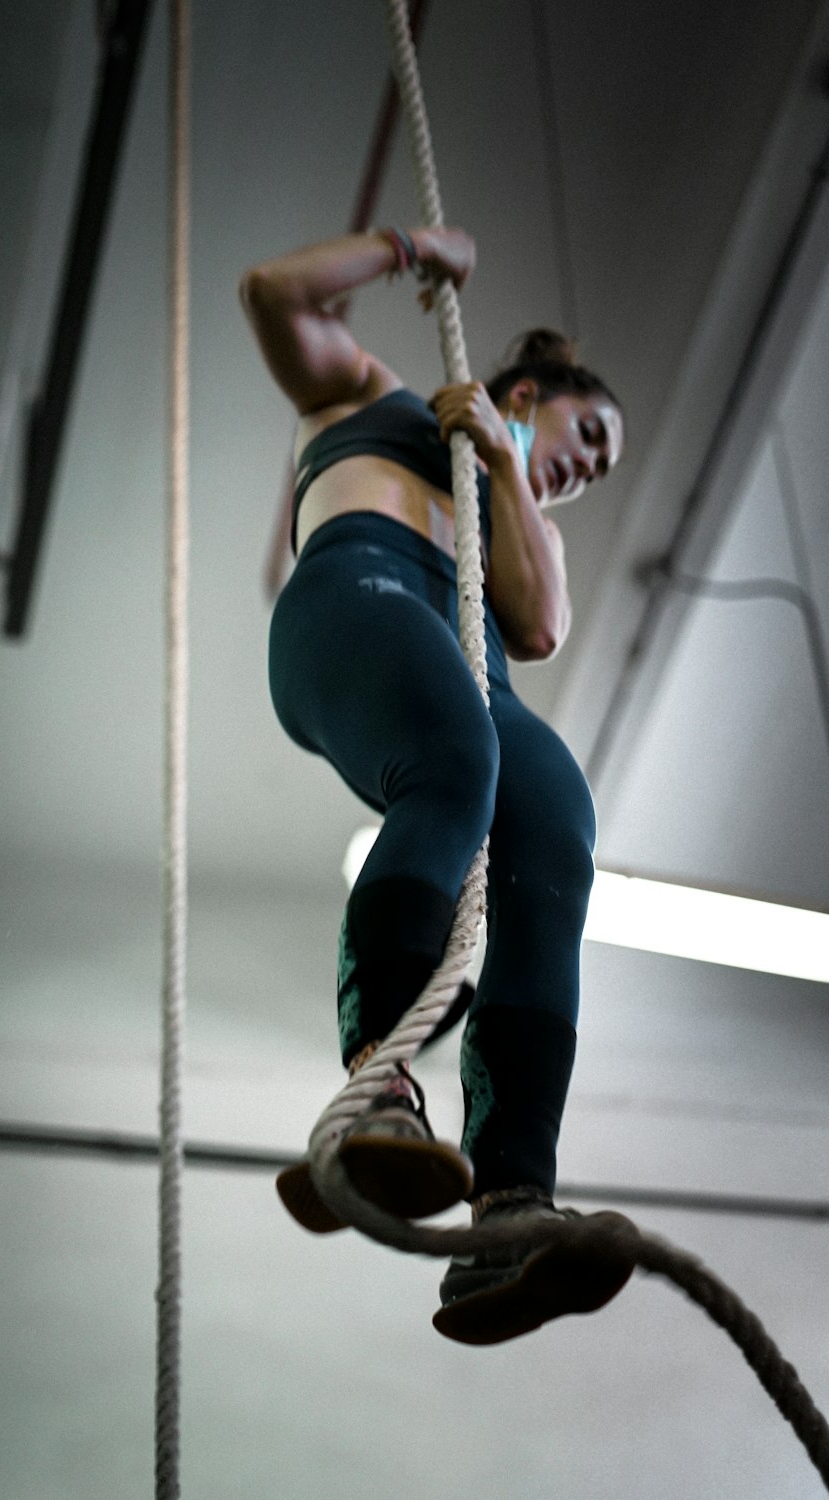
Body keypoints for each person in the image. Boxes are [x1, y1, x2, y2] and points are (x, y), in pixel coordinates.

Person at [240, 226, 631, 1344]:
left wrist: (507, 466)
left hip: (469, 675)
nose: (585, 465)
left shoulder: (509, 507)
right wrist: (403, 249)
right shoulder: (378, 399)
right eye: (585, 434)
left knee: (553, 826)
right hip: (353, 604)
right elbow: (272, 291)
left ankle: (511, 1205)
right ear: (531, 387)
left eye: (599, 470)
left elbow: (540, 628)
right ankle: (380, 1084)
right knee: (459, 759)